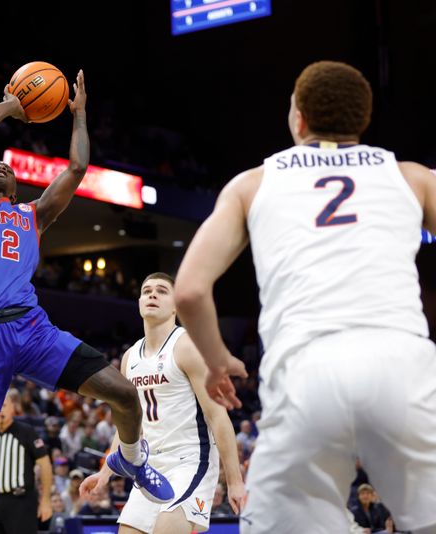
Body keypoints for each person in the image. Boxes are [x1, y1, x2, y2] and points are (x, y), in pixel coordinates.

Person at [174, 61, 436, 533]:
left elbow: (190, 291)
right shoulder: (415, 177)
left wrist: (216, 361)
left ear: (297, 119)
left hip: (305, 372)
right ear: (363, 120)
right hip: (404, 366)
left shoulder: (253, 183)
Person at [0, 70, 172, 528]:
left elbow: (75, 169)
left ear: (16, 188)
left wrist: (79, 116)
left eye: (6, 168)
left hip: (30, 328)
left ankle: (131, 459)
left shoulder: (33, 215)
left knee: (124, 394)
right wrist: (14, 107)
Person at [81, 273, 245, 533]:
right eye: (146, 291)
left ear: (175, 306)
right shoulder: (130, 357)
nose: (152, 295)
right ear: (138, 303)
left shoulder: (187, 348)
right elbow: (128, 427)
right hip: (149, 467)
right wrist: (105, 474)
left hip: (190, 461)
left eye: (161, 291)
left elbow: (218, 416)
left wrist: (235, 481)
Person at [0, 389, 52, 534]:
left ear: (13, 408)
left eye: (4, 405)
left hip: (21, 501)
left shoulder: (26, 432)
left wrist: (45, 500)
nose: (0, 411)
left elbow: (45, 465)